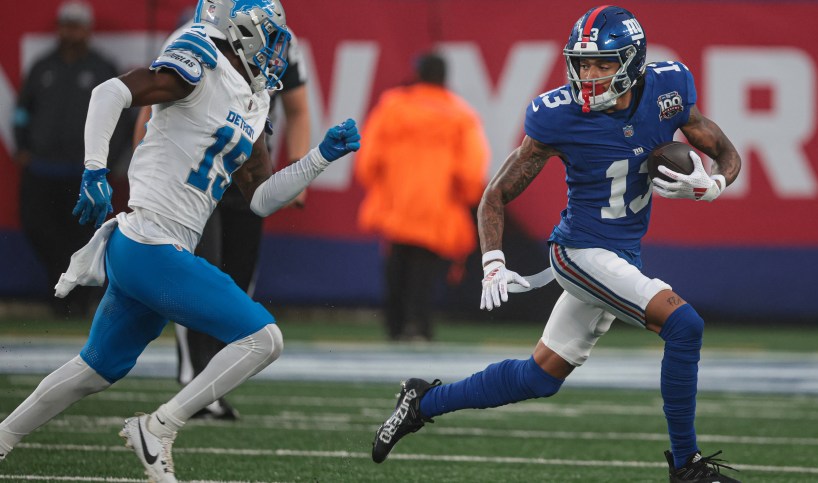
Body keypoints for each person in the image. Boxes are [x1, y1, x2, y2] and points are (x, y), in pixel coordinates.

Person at [371, 6, 742, 483]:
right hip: (579, 253)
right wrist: (492, 260)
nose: (589, 75)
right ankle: (687, 467)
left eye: (603, 64)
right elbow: (495, 194)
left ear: (633, 62)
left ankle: (422, 401)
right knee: (684, 325)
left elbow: (725, 152)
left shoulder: (668, 90)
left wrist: (715, 185)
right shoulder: (560, 115)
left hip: (622, 253)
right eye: (583, 63)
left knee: (539, 377)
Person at [0, 1, 359, 481]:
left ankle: (2, 438)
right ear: (244, 29)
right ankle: (160, 427)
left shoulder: (252, 98)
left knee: (95, 369)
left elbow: (260, 198)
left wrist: (319, 158)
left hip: (160, 251)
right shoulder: (200, 58)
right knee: (263, 339)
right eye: (271, 36)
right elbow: (110, 93)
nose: (277, 50)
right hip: (149, 238)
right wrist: (94, 169)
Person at [132, 18, 311, 421]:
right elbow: (152, 106)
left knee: (238, 279)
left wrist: (300, 169)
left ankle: (210, 382)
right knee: (199, 274)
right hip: (198, 175)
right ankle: (195, 380)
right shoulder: (191, 36)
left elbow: (297, 109)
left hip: (248, 172)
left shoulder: (283, 42)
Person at [355, 52, 489, 342]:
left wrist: (382, 187)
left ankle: (394, 327)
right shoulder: (461, 114)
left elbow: (368, 160)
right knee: (424, 272)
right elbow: (472, 169)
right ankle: (418, 326)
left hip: (395, 203)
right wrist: (464, 196)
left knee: (396, 265)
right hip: (436, 207)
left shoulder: (393, 105)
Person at [13, 0, 125, 317]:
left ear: (87, 31)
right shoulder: (42, 66)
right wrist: (22, 144)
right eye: (66, 26)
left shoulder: (102, 68)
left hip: (82, 170)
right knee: (39, 227)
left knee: (82, 234)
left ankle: (78, 301)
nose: (70, 33)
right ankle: (60, 286)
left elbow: (121, 119)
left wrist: (109, 159)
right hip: (42, 168)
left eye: (76, 27)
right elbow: (22, 111)